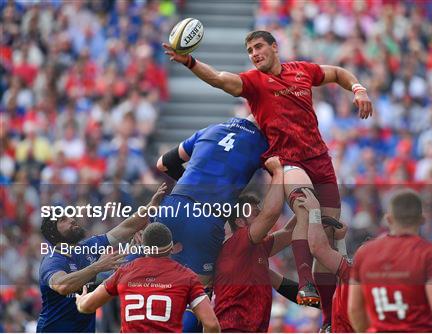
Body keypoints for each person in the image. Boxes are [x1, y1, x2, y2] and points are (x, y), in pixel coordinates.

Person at [164, 29, 373, 314]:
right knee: (305, 206)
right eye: (250, 51)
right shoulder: (253, 82)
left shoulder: (302, 70)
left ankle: (327, 317)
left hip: (320, 159)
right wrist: (190, 62)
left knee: (325, 233)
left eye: (259, 47)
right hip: (289, 161)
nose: (254, 54)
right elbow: (219, 79)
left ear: (275, 47)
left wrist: (359, 89)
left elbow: (337, 72)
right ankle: (305, 283)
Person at [36, 183, 167, 332]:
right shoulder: (53, 260)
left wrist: (151, 205)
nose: (72, 220)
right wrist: (98, 266)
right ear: (53, 234)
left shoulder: (89, 246)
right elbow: (63, 286)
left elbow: (126, 228)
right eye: (63, 220)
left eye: (70, 216)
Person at [154, 116, 268, 286]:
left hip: (173, 206)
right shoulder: (264, 144)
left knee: (154, 281)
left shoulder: (210, 129)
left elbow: (163, 163)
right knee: (197, 294)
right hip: (206, 219)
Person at [347, 189, 432, 333]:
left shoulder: (363, 253)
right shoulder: (429, 253)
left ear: (389, 219)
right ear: (422, 220)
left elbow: (354, 309)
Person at [75, 222, 220, 333]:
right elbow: (212, 324)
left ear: (144, 247)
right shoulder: (187, 276)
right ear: (171, 248)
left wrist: (80, 299)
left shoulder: (124, 272)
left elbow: (87, 306)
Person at [213, 157, 292, 332]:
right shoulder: (238, 241)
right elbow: (271, 214)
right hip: (233, 329)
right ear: (240, 222)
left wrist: (309, 208)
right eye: (256, 214)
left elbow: (288, 233)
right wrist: (278, 172)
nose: (261, 218)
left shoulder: (258, 245)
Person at [296, 188, 353, 333]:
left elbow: (319, 249)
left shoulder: (358, 276)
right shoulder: (366, 276)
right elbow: (339, 269)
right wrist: (339, 240)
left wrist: (315, 212)